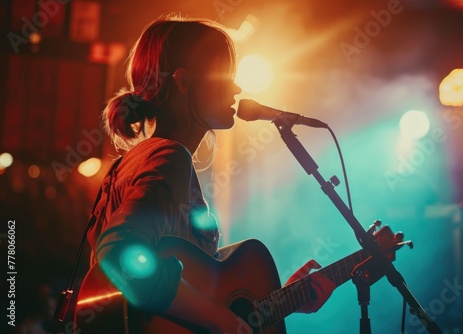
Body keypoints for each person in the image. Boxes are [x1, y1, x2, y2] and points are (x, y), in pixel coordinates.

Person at [86, 13, 335, 333]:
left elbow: (192, 298)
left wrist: (282, 300)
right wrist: (223, 320)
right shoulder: (168, 157)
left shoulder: (134, 162)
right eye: (223, 74)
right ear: (184, 81)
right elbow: (119, 252)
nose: (236, 87)